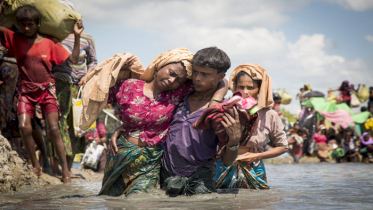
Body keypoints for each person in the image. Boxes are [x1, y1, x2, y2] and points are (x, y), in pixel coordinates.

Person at [98, 48, 228, 197]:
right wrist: (122, 127)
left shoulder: (176, 93)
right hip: (120, 152)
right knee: (110, 197)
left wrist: (216, 99)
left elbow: (221, 80)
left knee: (139, 200)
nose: (172, 80)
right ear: (160, 64)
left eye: (178, 79)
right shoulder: (128, 86)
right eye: (171, 73)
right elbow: (96, 94)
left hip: (151, 159)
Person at [0, 6, 84, 183]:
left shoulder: (50, 42)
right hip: (25, 90)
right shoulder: (15, 38)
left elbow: (74, 60)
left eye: (30, 24)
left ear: (38, 24)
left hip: (47, 90)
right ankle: (36, 165)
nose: (27, 28)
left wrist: (77, 36)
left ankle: (65, 171)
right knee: (24, 127)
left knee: (53, 129)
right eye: (23, 24)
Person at [160, 47, 238, 196]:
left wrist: (234, 140)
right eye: (195, 72)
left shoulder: (224, 110)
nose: (197, 78)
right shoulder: (179, 97)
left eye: (205, 74)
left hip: (199, 180)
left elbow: (227, 162)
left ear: (220, 76)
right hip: (167, 175)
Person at [215, 63, 288, 190]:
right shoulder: (225, 109)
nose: (246, 92)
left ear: (260, 89)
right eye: (241, 87)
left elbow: (282, 147)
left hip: (255, 168)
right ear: (235, 88)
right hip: (224, 165)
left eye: (251, 87)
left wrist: (256, 156)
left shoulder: (269, 115)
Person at [52, 2, 97, 176]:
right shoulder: (54, 37)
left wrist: (87, 76)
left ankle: (68, 169)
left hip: (79, 87)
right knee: (57, 125)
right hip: (59, 86)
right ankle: (56, 168)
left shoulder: (87, 38)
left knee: (75, 127)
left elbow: (93, 62)